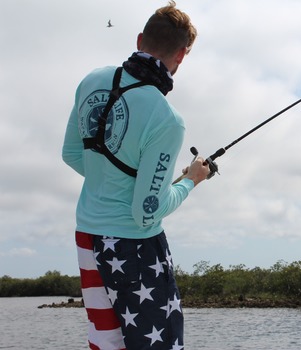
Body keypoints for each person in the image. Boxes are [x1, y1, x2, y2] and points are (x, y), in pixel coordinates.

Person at [62, 2, 209, 349]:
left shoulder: (92, 80)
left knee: (106, 340)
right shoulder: (167, 118)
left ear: (140, 39)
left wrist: (122, 182)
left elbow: (71, 154)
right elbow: (145, 213)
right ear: (182, 55)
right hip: (135, 248)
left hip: (87, 238)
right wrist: (190, 180)